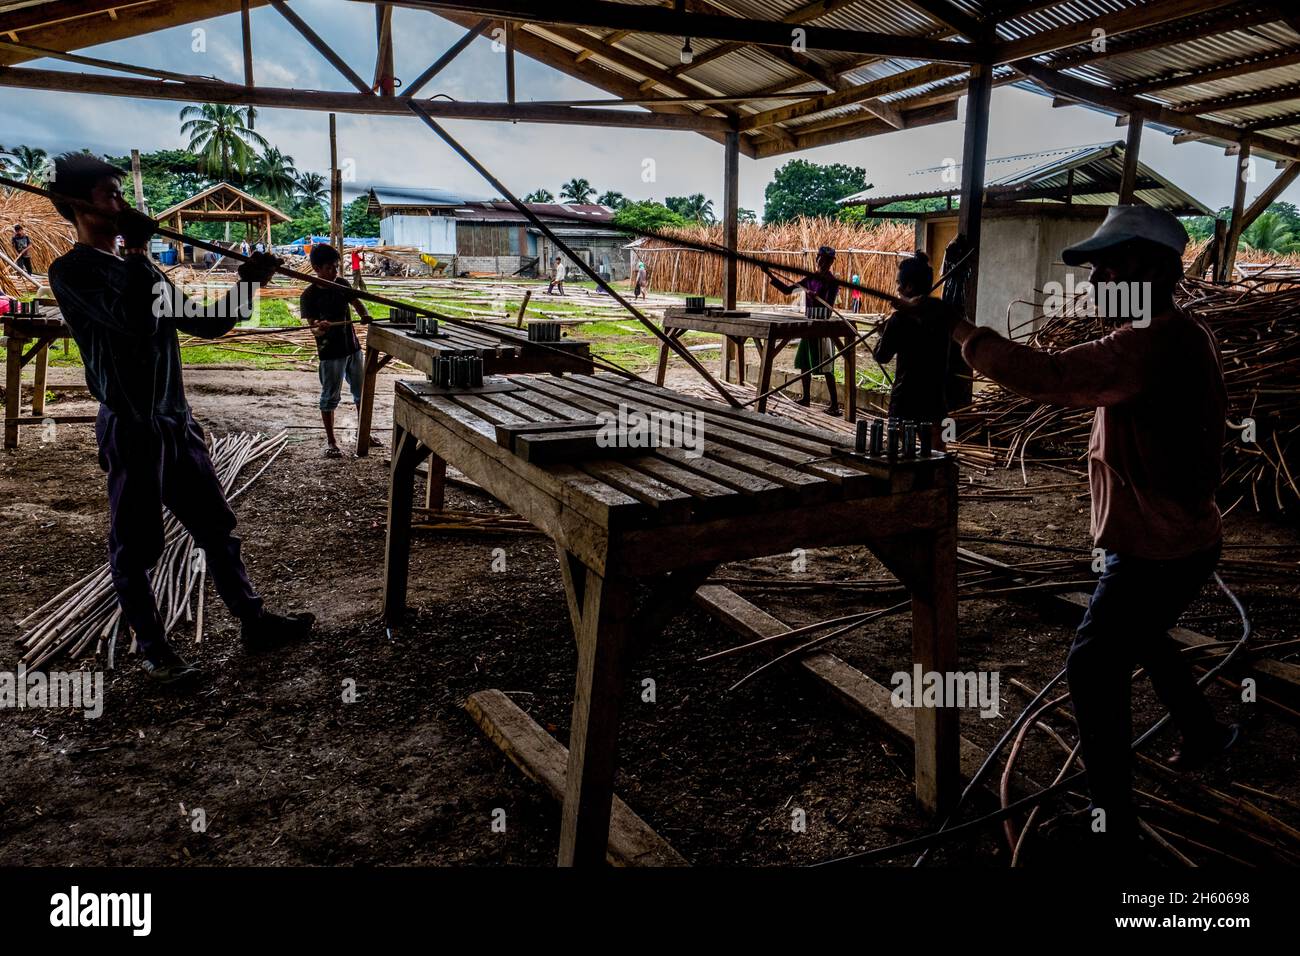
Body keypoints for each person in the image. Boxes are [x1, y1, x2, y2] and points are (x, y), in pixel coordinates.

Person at [924, 205, 1239, 855]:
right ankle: (1205, 735)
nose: (1095, 280)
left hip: (1156, 546)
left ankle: (1112, 827)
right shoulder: (1183, 333)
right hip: (1187, 536)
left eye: (1107, 266)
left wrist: (959, 332)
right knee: (1148, 636)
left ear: (1148, 272)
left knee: (1093, 668)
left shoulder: (1147, 342)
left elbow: (1049, 378)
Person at [45, 153, 313, 688]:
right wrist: (141, 252)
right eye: (108, 194)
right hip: (133, 425)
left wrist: (248, 283)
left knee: (216, 527)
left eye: (120, 194)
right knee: (135, 545)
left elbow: (207, 324)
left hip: (176, 422)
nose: (120, 203)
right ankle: (155, 650)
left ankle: (252, 620)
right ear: (75, 206)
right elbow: (135, 321)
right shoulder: (73, 272)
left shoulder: (136, 268)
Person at [300, 243, 373, 458]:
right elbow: (313, 329)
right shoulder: (309, 296)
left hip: (352, 348)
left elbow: (357, 302)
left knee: (361, 394)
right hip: (330, 353)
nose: (335, 271)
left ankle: (364, 433)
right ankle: (331, 441)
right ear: (316, 268)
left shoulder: (341, 283)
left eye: (336, 267)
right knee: (330, 397)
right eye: (330, 268)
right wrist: (319, 329)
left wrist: (365, 315)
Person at [872, 251, 951, 446]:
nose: (896, 288)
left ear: (908, 287)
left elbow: (882, 356)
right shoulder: (942, 314)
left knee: (897, 454)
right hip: (936, 397)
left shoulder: (899, 319)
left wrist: (881, 334)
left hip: (905, 398)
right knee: (938, 453)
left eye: (899, 283)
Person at [764, 244, 841, 415]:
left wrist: (817, 297)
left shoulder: (832, 282)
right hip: (808, 326)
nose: (824, 263)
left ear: (831, 263)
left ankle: (835, 406)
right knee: (805, 364)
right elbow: (786, 290)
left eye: (828, 261)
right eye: (822, 259)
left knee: (826, 367)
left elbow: (829, 309)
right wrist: (768, 274)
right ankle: (806, 398)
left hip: (822, 327)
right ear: (817, 259)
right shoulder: (809, 278)